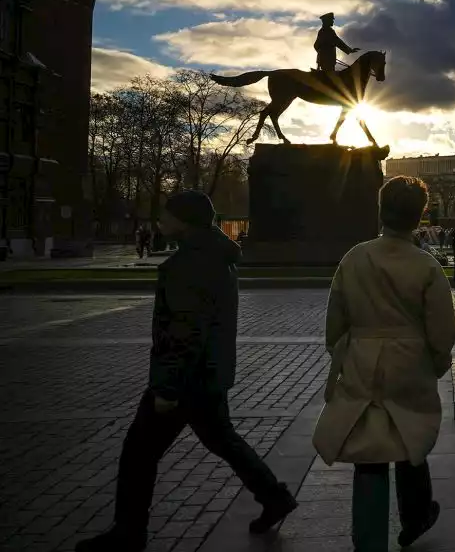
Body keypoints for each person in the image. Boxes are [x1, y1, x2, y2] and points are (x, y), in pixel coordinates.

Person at [76, 192, 297, 552]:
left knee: (139, 452)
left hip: (185, 379)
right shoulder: (216, 257)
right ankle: (274, 497)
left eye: (166, 214)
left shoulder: (191, 265)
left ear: (184, 221)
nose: (160, 219)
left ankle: (129, 533)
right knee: (223, 440)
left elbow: (183, 330)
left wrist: (166, 388)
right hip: (207, 374)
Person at [312, 177, 455, 551]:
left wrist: (345, 354)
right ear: (419, 215)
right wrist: (435, 364)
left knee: (370, 455)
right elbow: (442, 331)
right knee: (411, 440)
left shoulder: (354, 257)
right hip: (410, 363)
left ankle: (369, 540)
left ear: (381, 210)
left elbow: (335, 321)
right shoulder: (426, 266)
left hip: (363, 358)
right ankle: (415, 516)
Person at [314, 12, 358, 78]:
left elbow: (316, 45)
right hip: (327, 61)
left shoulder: (323, 31)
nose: (333, 21)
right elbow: (338, 42)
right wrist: (350, 50)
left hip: (326, 60)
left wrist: (322, 54)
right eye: (331, 20)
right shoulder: (328, 31)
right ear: (327, 21)